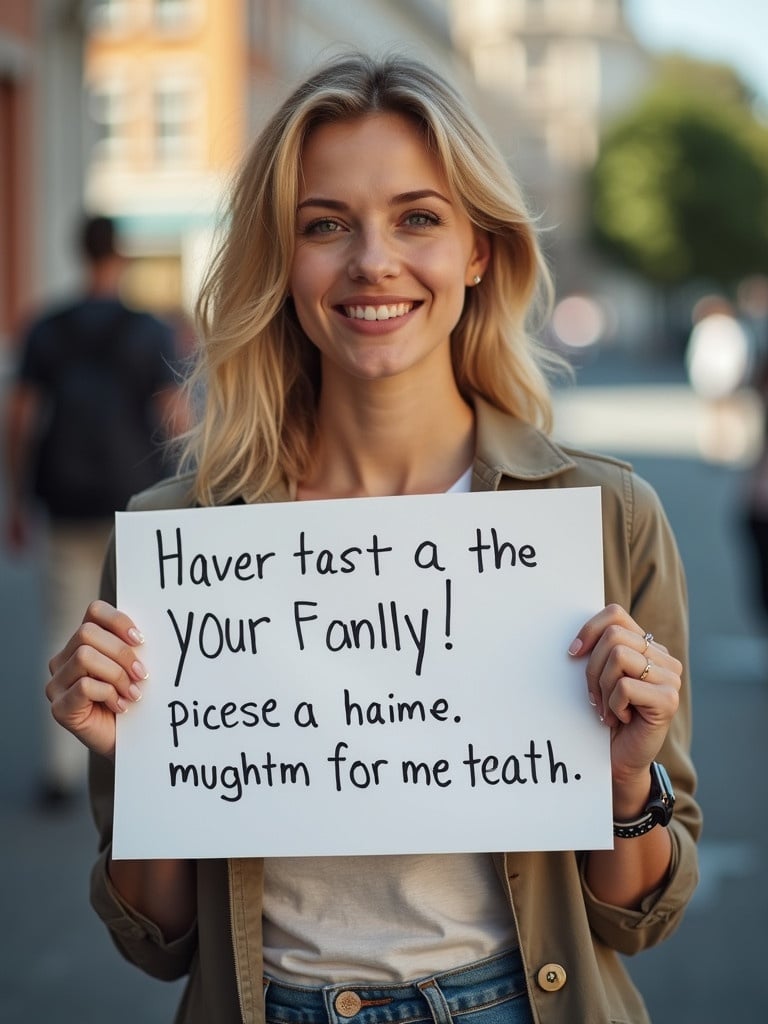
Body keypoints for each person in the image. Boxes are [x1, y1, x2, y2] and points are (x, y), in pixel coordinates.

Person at [45, 54, 700, 1023]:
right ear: (284, 257)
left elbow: (641, 915)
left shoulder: (607, 520)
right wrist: (141, 767)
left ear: (479, 248)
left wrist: (625, 774)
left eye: (418, 217)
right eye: (326, 225)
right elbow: (157, 937)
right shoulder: (178, 544)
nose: (372, 262)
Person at [3, 214, 187, 807]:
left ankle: (60, 768)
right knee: (135, 629)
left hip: (64, 494)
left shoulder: (47, 328)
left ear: (79, 254)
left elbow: (23, 418)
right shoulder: (148, 329)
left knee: (64, 621)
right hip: (135, 501)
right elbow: (175, 417)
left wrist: (15, 496)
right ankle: (141, 749)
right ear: (123, 257)